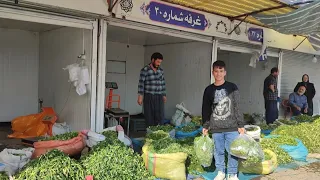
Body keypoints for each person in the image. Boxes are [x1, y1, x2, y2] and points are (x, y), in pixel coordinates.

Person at [202, 60, 245, 180]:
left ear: (225, 72)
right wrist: (206, 125)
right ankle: (220, 172)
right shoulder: (208, 90)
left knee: (233, 151)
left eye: (221, 71)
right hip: (216, 127)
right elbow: (206, 109)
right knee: (218, 151)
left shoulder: (232, 87)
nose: (218, 74)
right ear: (213, 73)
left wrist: (240, 124)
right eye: (216, 71)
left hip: (232, 126)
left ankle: (232, 174)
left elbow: (237, 105)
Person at [137, 52, 166, 127]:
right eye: (157, 62)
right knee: (149, 116)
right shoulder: (145, 70)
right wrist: (140, 96)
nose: (159, 64)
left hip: (159, 96)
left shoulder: (161, 71)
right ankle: (150, 133)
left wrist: (164, 95)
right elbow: (141, 83)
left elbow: (163, 83)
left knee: (160, 116)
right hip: (149, 96)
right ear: (153, 60)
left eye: (160, 62)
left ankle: (159, 133)